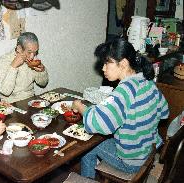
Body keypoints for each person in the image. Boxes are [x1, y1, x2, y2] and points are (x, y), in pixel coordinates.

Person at [72, 38, 169, 179]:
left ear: (123, 63)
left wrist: (80, 106)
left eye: (107, 63)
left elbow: (98, 123)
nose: (103, 68)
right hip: (148, 152)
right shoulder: (147, 82)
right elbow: (164, 112)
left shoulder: (124, 91)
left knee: (86, 148)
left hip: (132, 162)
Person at [0, 32, 49, 103]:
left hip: (31, 100)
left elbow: (43, 83)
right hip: (11, 103)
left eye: (35, 52)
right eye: (29, 52)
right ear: (19, 48)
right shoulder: (4, 60)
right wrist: (13, 66)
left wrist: (42, 71)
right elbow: (5, 91)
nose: (32, 56)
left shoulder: (33, 59)